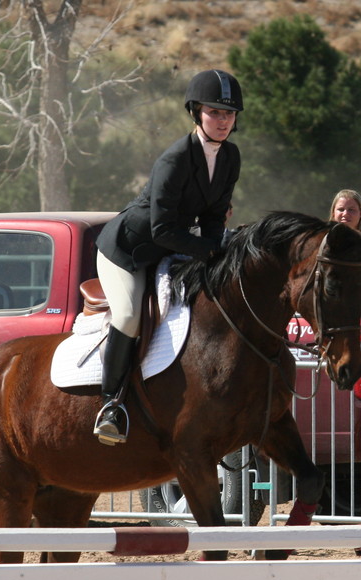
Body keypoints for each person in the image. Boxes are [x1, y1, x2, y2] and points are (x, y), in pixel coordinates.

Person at [92, 69, 243, 444]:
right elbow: (161, 230)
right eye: (215, 113)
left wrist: (218, 255)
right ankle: (110, 405)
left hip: (171, 248)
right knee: (128, 316)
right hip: (127, 252)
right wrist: (211, 250)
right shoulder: (176, 159)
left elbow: (212, 216)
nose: (223, 121)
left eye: (229, 114)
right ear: (196, 113)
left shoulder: (229, 157)